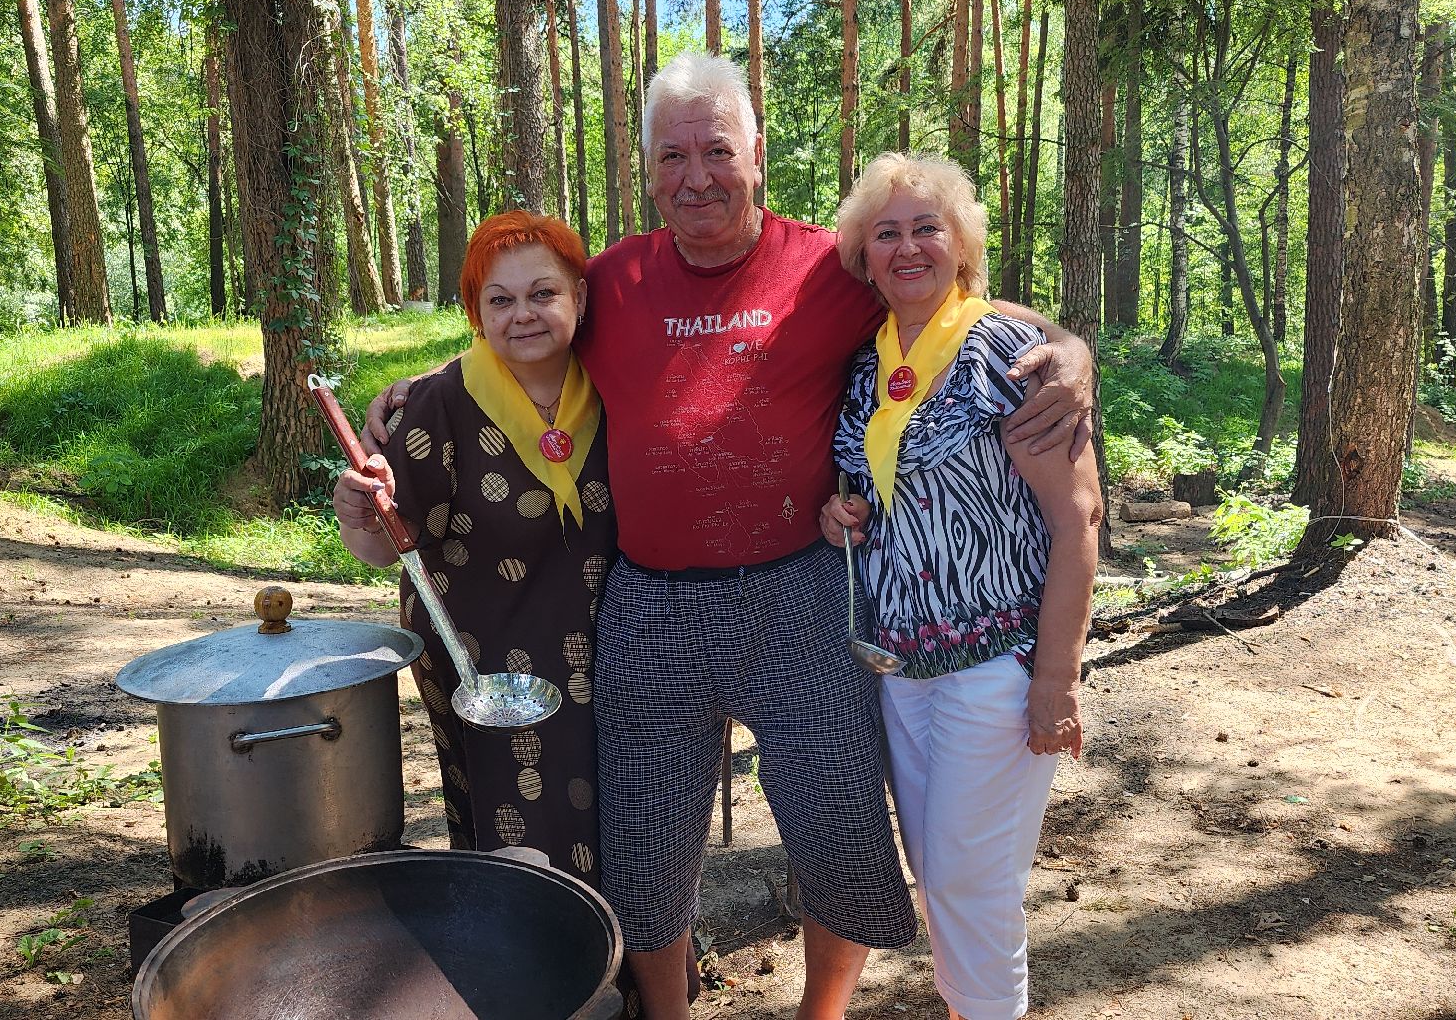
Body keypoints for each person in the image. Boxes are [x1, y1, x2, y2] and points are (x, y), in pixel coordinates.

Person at [364, 53, 1098, 1020]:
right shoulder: (614, 277)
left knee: (840, 830)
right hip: (651, 603)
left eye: (717, 149)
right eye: (674, 156)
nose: (696, 175)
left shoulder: (828, 268)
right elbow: (519, 318)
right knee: (646, 847)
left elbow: (946, 298)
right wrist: (414, 390)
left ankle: (820, 1014)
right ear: (650, 168)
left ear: (757, 152)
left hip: (798, 598)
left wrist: (1069, 347)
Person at [820, 152, 1099, 1020]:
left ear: (962, 246)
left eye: (926, 228)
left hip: (996, 666)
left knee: (971, 887)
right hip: (899, 671)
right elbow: (882, 490)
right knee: (941, 878)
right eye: (886, 232)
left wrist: (1056, 680)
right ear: (864, 256)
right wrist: (847, 516)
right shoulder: (866, 368)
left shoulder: (1013, 355)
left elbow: (1078, 521)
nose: (907, 247)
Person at [331, 210, 616, 894]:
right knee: (516, 842)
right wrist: (356, 513)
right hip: (488, 671)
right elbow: (383, 546)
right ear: (476, 313)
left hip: (608, 654)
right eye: (500, 300)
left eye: (543, 294)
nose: (524, 315)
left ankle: (633, 984)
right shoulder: (441, 404)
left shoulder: (615, 382)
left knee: (626, 822)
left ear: (579, 296)